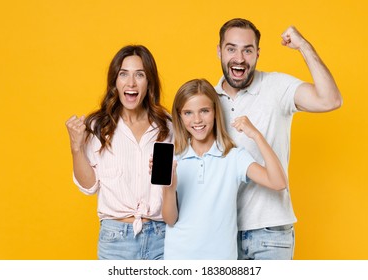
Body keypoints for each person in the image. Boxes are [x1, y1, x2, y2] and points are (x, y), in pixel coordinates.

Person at [215, 18, 343, 260]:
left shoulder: (276, 86)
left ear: (258, 54)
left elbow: (330, 100)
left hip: (271, 233)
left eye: (248, 50)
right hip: (224, 233)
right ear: (219, 51)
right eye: (231, 48)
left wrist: (303, 45)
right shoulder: (208, 100)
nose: (239, 58)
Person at [158, 78, 287, 259]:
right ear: (179, 116)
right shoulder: (173, 158)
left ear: (216, 112)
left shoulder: (234, 157)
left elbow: (278, 182)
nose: (197, 120)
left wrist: (256, 136)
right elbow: (170, 219)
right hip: (179, 259)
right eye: (188, 113)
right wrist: (169, 189)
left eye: (204, 111)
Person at [65, 45, 173, 260]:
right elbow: (88, 187)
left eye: (139, 75)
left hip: (161, 237)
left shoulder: (166, 126)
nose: (131, 83)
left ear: (149, 82)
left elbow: (171, 186)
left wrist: (168, 175)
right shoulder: (98, 126)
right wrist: (76, 148)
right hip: (115, 240)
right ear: (115, 81)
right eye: (123, 74)